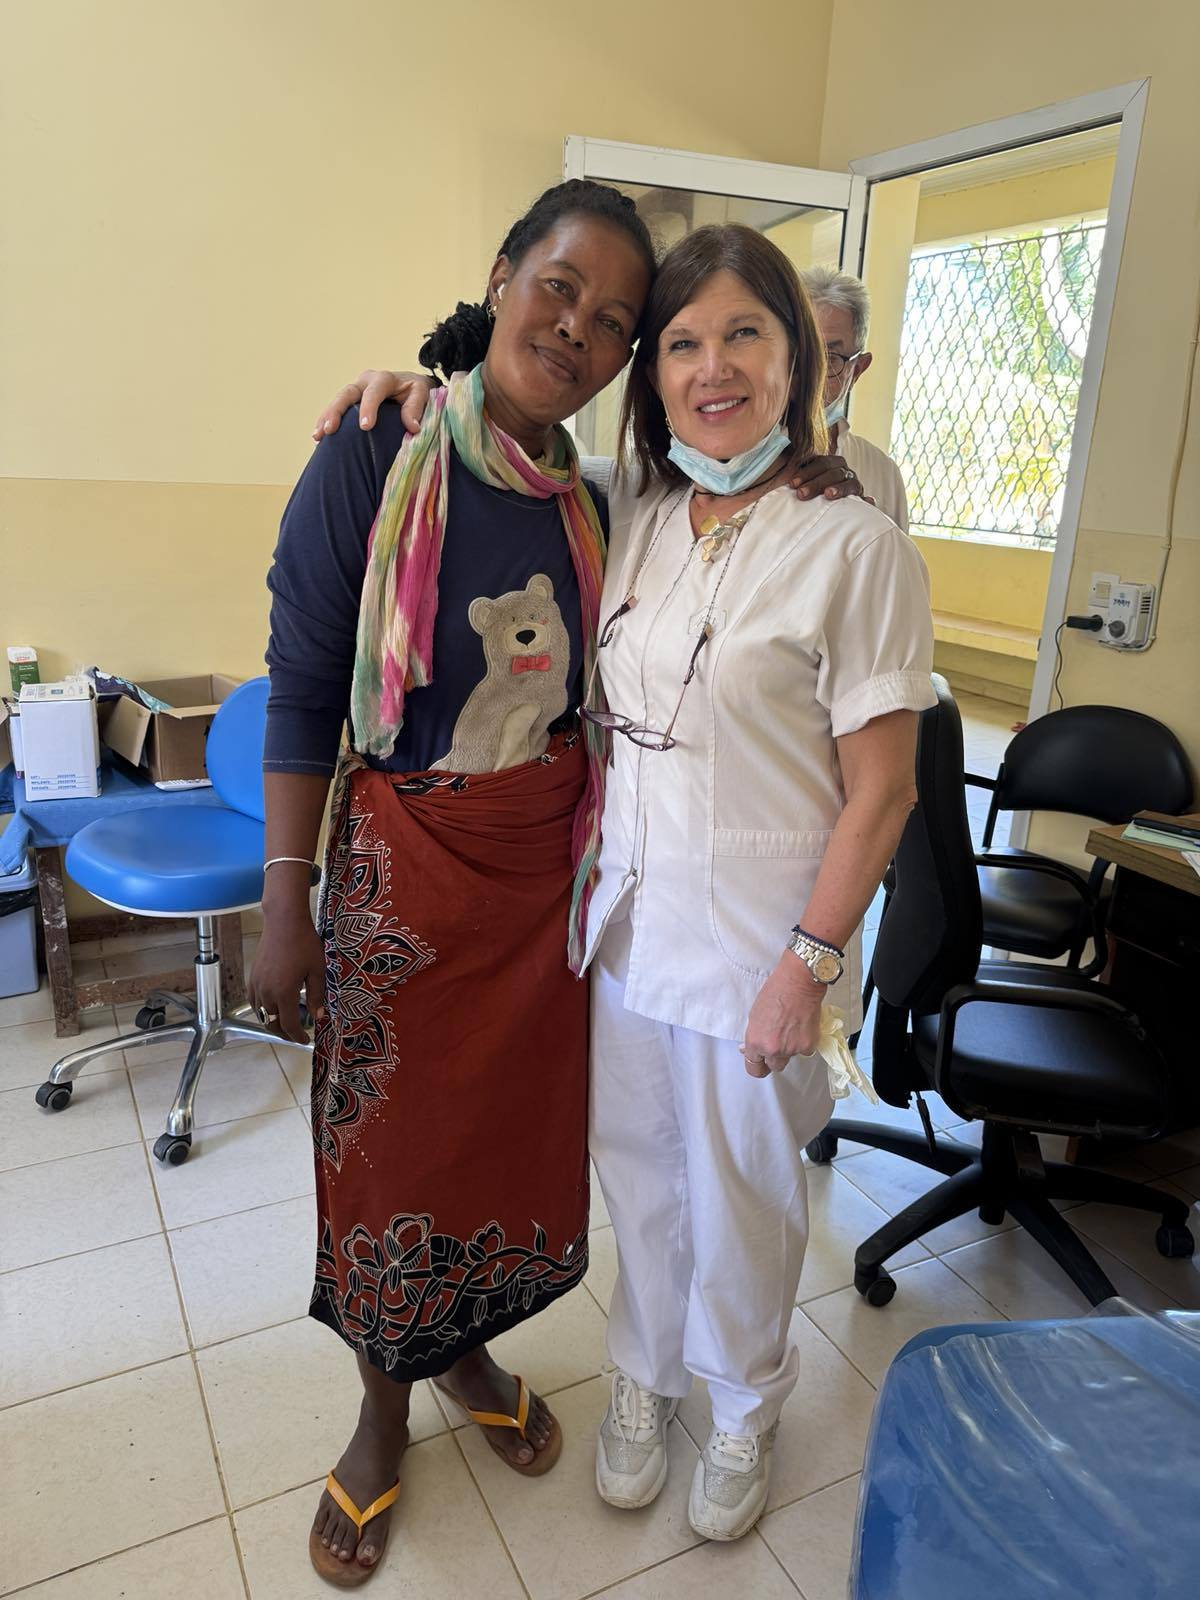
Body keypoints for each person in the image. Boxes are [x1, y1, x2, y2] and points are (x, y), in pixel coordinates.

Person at [318, 224, 935, 1543]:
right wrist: (422, 390)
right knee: (644, 1181)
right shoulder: (633, 515)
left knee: (749, 1198)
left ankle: (744, 1403)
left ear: (799, 357)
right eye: (683, 343)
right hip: (625, 929)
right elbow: (498, 448)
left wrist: (810, 964)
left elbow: (883, 791)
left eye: (745, 334)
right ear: (652, 375)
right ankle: (646, 1382)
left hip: (763, 946)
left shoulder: (856, 545)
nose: (714, 368)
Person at [251, 177, 657, 1588]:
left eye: (615, 321)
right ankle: (382, 1412)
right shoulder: (377, 453)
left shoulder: (595, 510)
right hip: (402, 878)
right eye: (560, 287)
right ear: (501, 278)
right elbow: (305, 683)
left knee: (502, 1144)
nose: (579, 329)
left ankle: (469, 1348)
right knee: (391, 1162)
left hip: (540, 889)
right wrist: (285, 895)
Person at [799, 264, 910, 530]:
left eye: (830, 358)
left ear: (857, 369)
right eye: (797, 353)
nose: (809, 374)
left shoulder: (881, 473)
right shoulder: (740, 462)